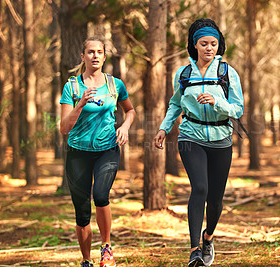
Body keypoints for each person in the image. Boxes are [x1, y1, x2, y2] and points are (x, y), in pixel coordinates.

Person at [154, 18, 244, 267]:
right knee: (200, 188)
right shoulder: (184, 74)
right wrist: (164, 128)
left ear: (218, 46)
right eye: (204, 43)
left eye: (213, 44)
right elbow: (175, 104)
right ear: (195, 45)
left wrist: (218, 103)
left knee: (215, 198)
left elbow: (237, 109)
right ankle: (194, 250)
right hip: (190, 135)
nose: (209, 48)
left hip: (221, 139)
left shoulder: (227, 73)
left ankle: (208, 237)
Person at [60, 37, 136, 267]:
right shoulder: (72, 86)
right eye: (90, 52)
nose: (95, 55)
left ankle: (106, 248)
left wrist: (124, 126)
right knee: (82, 213)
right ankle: (86, 260)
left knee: (101, 195)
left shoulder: (115, 85)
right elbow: (64, 128)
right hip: (78, 153)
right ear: (82, 56)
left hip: (107, 149)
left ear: (104, 56)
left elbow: (130, 111)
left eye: (99, 52)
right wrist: (81, 103)